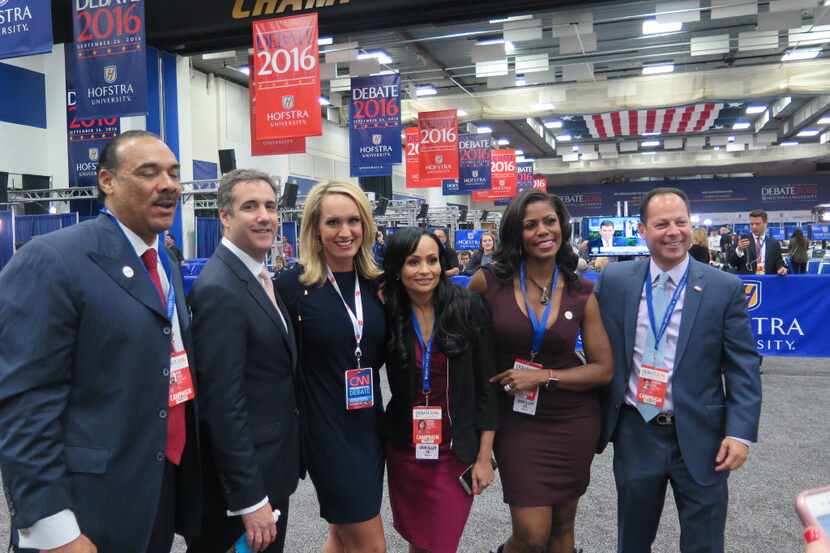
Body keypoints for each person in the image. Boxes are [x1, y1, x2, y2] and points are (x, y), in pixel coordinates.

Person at [0, 130, 203, 552]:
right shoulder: (53, 260)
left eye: (173, 173)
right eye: (149, 173)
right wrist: (55, 531)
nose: (167, 184)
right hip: (84, 512)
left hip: (152, 495)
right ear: (107, 182)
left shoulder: (164, 261)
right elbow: (24, 406)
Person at [595, 187, 762, 553]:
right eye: (661, 224)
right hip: (636, 432)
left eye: (681, 222)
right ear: (642, 230)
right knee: (633, 541)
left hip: (704, 437)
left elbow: (743, 365)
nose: (673, 231)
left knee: (704, 542)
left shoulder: (724, 288)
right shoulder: (615, 282)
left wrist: (740, 432)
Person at [469, 189, 614, 553]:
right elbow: (465, 352)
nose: (542, 231)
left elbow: (603, 369)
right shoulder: (488, 282)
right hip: (516, 421)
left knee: (563, 526)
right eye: (530, 225)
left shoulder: (582, 290)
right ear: (516, 233)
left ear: (561, 226)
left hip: (573, 418)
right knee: (532, 534)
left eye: (549, 221)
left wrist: (543, 376)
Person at [186, 169, 300, 553]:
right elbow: (222, 404)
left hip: (268, 468)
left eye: (269, 206)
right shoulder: (221, 289)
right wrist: (249, 499)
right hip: (239, 490)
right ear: (225, 217)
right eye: (249, 206)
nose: (264, 216)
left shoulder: (258, 278)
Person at [278, 181, 388, 553]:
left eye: (354, 221)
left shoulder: (377, 284)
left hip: (370, 426)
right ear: (315, 229)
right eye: (333, 223)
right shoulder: (293, 286)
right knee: (370, 544)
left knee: (343, 536)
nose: (345, 232)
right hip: (325, 429)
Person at [382, 228, 499, 553]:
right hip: (407, 449)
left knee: (440, 542)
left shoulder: (468, 307)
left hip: (456, 451)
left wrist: (485, 456)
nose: (424, 270)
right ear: (397, 268)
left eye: (432, 260)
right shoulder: (390, 312)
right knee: (420, 540)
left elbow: (488, 386)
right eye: (413, 261)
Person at [728, 209, 787, 275]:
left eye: (757, 224)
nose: (754, 227)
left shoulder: (774, 243)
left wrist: (781, 268)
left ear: (765, 223)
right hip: (749, 282)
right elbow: (732, 263)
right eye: (751, 224)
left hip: (767, 281)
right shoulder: (742, 240)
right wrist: (739, 250)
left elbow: (779, 262)